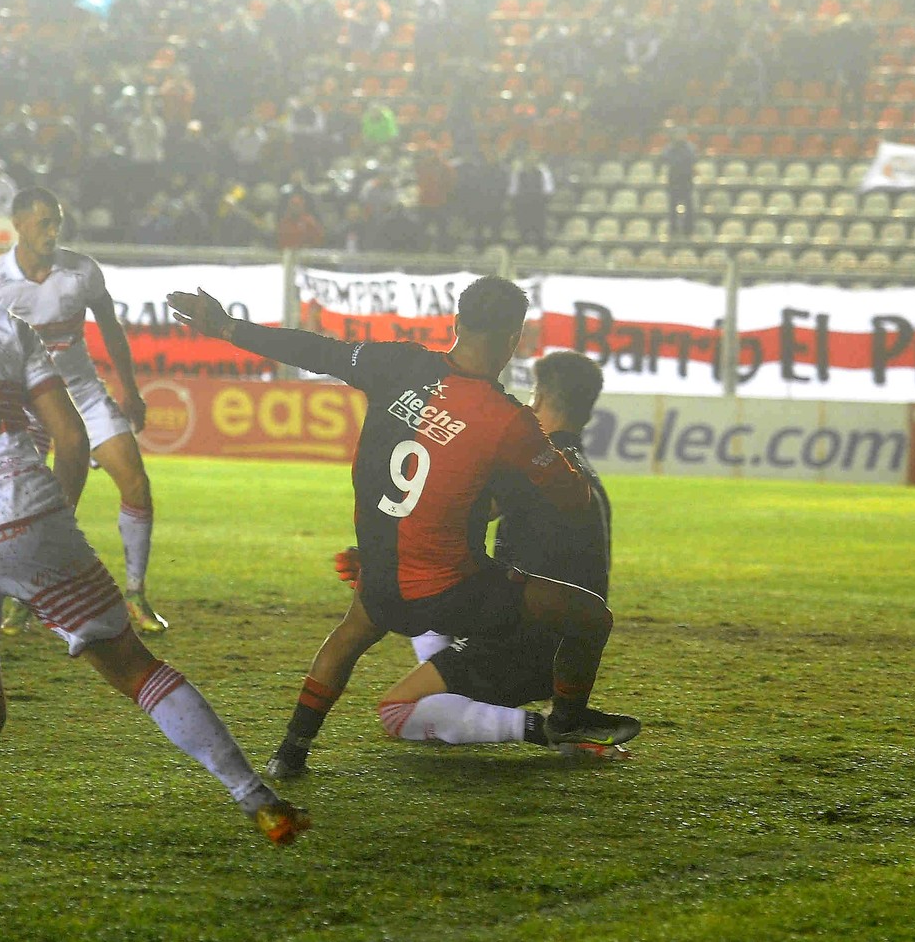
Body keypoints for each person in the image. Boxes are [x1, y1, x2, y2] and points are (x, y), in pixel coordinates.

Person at [0, 208, 307, 874]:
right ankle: (259, 799)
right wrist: (51, 516)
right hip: (27, 513)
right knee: (134, 667)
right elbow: (70, 441)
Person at [165, 277, 640, 779]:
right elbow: (571, 495)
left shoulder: (398, 363)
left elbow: (315, 351)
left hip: (382, 574)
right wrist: (548, 455)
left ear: (456, 323)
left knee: (350, 636)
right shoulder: (508, 420)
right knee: (589, 616)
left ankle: (290, 754)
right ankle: (565, 719)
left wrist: (225, 326)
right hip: (455, 591)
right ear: (512, 340)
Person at [372, 351, 626, 759]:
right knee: (435, 603)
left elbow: (451, 517)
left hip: (519, 648)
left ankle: (545, 731)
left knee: (396, 710)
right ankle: (495, 693)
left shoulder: (530, 465)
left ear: (539, 399)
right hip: (567, 659)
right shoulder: (581, 473)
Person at [0, 187, 166, 635]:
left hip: (83, 394)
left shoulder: (81, 271)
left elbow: (109, 327)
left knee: (135, 482)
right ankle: (24, 597)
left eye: (56, 222)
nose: (53, 231)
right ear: (18, 224)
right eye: (43, 223)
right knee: (24, 507)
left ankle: (135, 595)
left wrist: (129, 390)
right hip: (24, 404)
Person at [659, 127, 699, 237]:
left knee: (689, 206)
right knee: (672, 206)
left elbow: (692, 159)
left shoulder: (690, 148)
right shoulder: (669, 148)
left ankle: (688, 230)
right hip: (673, 180)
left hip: (686, 180)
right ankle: (673, 230)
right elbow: (665, 158)